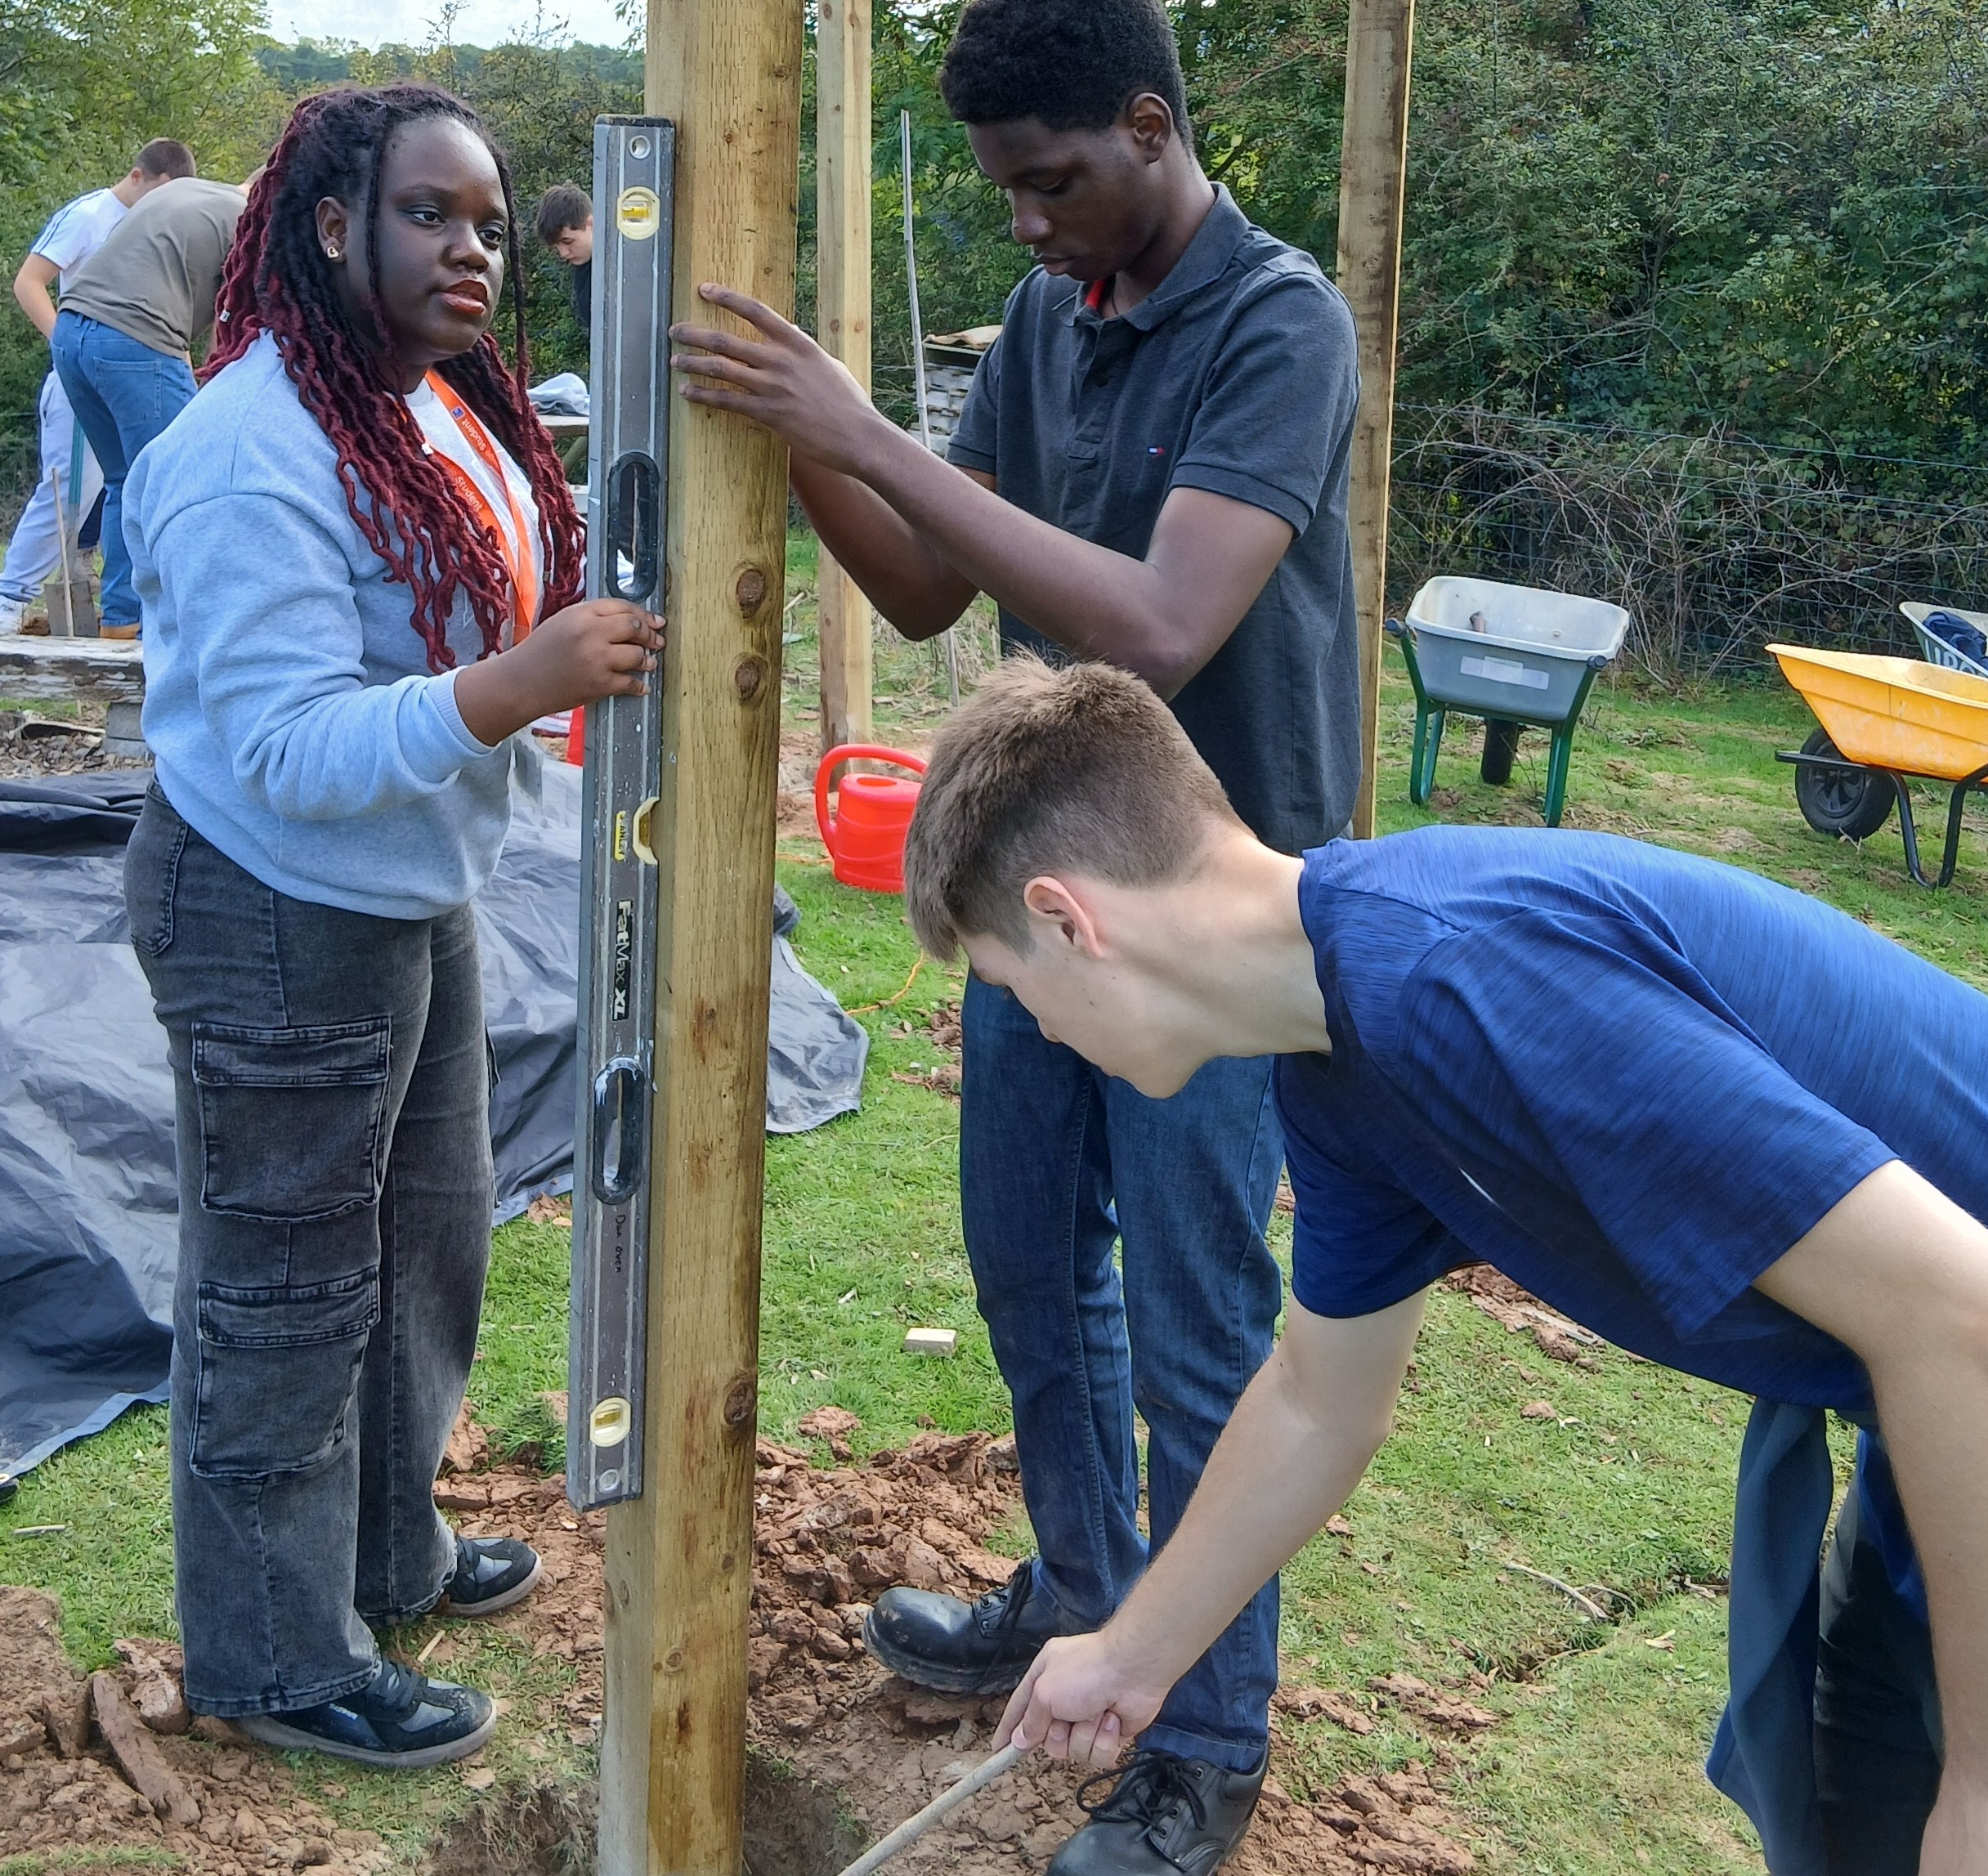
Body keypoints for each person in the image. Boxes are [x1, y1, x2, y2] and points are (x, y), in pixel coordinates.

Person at [901, 657, 1988, 1876]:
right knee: (1857, 1805)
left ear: (1072, 919)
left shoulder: (1460, 977)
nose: (1039, 1030)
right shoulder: (1338, 1058)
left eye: (1013, 987)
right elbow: (1322, 1400)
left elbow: (1984, 1321)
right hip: (1963, 1412)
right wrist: (1134, 1651)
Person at [670, 1, 1359, 1865]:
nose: (1031, 226)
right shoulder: (1056, 323)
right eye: (1005, 197)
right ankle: (1074, 1587)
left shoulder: (1276, 324)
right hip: (1041, 916)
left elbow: (1154, 623)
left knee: (1210, 1333)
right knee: (1028, 1260)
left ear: (1151, 124)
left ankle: (1203, 1748)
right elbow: (917, 585)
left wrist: (867, 423)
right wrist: (786, 430)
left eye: (1052, 182)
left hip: (1218, 929)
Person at [119, 81, 660, 1771]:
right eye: (434, 213)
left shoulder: (431, 408)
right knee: (286, 1285)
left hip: (407, 893)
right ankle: (273, 1654)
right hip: (272, 906)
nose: (474, 249)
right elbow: (284, 743)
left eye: (491, 221)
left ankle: (381, 1552)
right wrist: (517, 686)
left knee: (425, 1242)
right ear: (337, 222)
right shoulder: (247, 452)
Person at [0, 141, 195, 636]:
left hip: (140, 372)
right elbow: (29, 282)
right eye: (162, 192)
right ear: (139, 176)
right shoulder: (90, 214)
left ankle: (121, 603)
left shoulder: (162, 226)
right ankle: (9, 596)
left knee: (132, 485)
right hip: (82, 370)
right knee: (70, 492)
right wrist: (68, 347)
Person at [52, 165, 248, 638]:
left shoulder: (186, 191)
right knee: (183, 483)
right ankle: (188, 623)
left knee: (126, 481)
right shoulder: (251, 223)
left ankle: (122, 622)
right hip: (134, 340)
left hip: (71, 332)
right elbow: (243, 330)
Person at [535, 182, 592, 354]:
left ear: (590, 223)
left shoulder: (621, 266)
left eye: (568, 241)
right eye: (557, 246)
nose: (563, 253)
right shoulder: (583, 266)